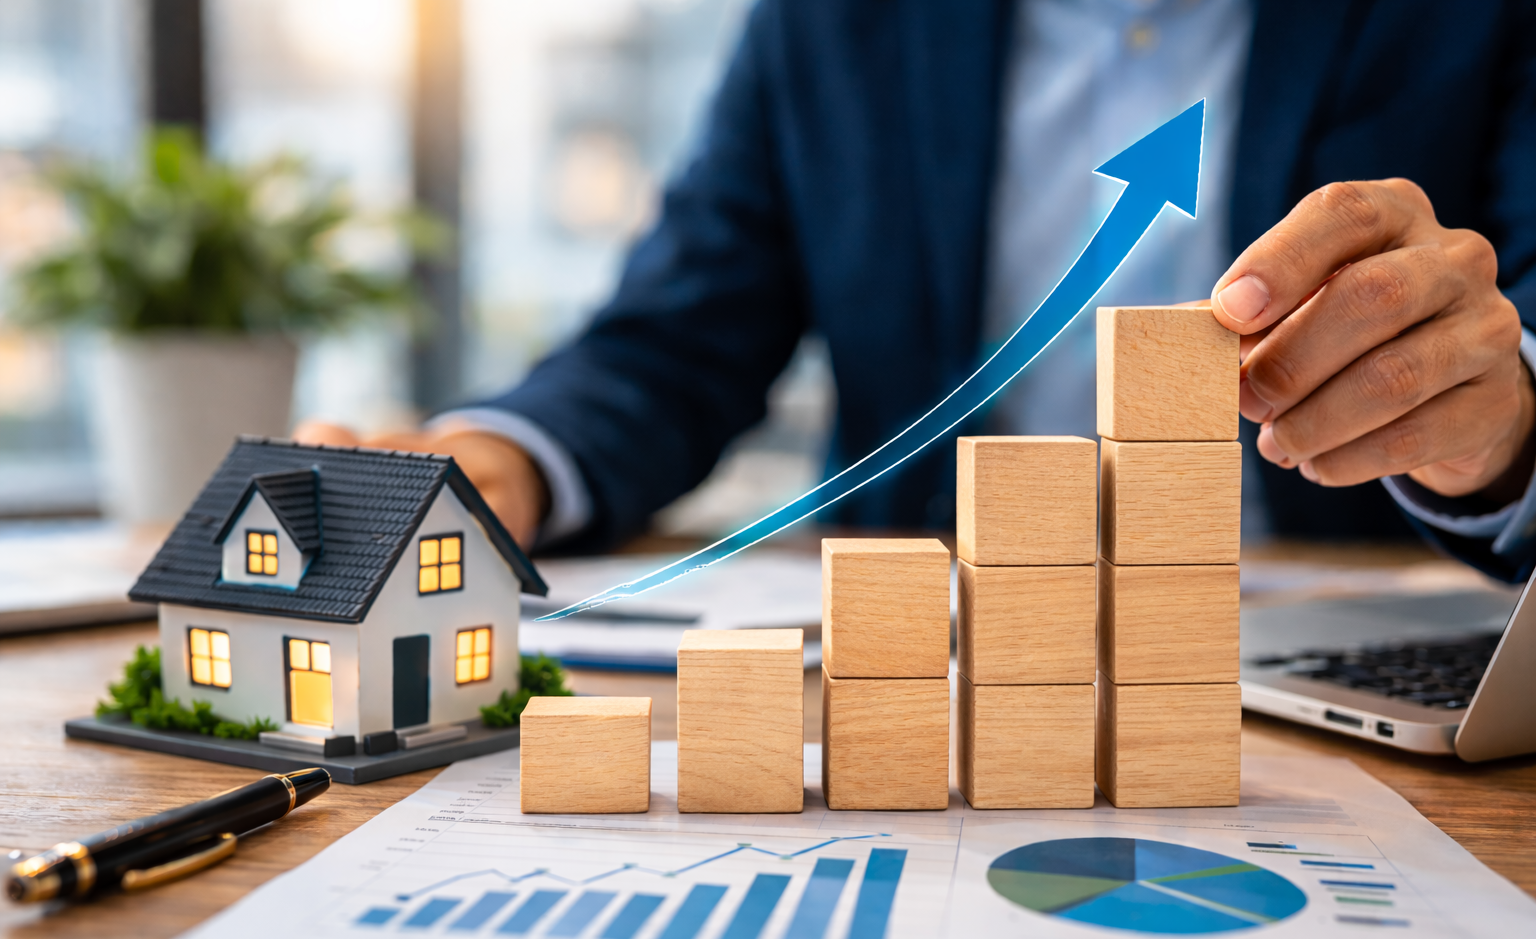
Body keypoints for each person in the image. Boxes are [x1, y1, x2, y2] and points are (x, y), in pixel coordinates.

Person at [299, 0, 1536, 581]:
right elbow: (679, 335)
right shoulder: (829, 23)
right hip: (923, 644)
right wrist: (501, 460)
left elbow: (1511, 323)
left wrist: (1499, 433)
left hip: (1325, 643)